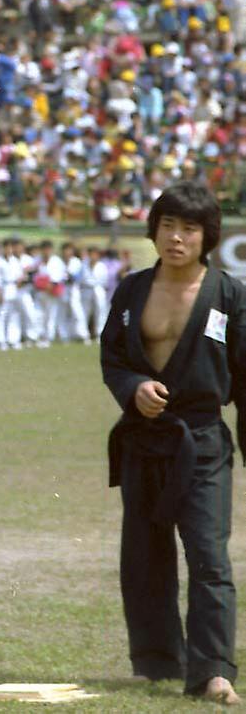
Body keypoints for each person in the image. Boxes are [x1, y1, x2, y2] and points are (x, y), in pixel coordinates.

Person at [101, 182, 246, 704]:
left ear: (207, 236)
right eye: (167, 226)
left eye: (188, 228)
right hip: (144, 439)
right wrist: (132, 388)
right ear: (154, 230)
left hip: (203, 441)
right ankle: (158, 658)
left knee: (208, 556)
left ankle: (212, 671)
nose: (177, 238)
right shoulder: (133, 289)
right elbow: (112, 358)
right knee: (143, 554)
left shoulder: (229, 295)